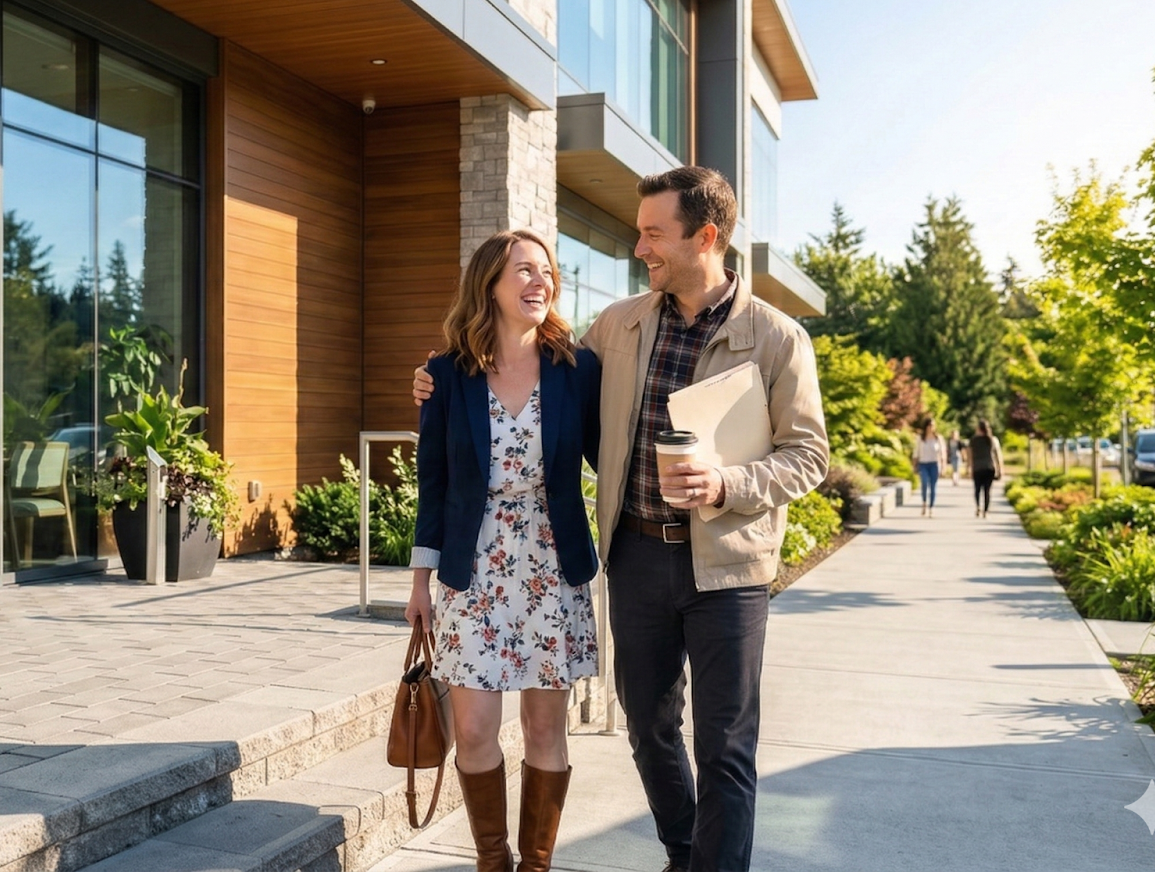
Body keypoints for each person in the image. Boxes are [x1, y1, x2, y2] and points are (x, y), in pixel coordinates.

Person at [413, 167, 829, 872]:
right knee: (650, 729)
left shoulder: (777, 338)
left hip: (724, 564)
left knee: (724, 743)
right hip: (634, 557)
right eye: (638, 233)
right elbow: (514, 380)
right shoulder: (617, 327)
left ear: (707, 236)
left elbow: (808, 456)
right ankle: (681, 852)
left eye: (653, 233)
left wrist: (726, 482)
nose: (640, 248)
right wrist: (434, 378)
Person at [405, 229, 602, 872]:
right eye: (522, 270)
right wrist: (418, 585)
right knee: (475, 731)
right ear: (489, 283)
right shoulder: (444, 375)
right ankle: (494, 860)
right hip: (473, 569)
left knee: (547, 729)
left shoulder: (578, 369)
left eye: (546, 270)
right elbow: (431, 485)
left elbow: (614, 453)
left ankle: (536, 865)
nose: (539, 281)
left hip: (552, 564)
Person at [968, 419, 1003, 517]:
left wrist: (969, 468)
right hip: (989, 467)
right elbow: (997, 456)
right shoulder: (993, 440)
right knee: (987, 491)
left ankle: (978, 507)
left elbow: (970, 456)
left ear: (978, 428)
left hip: (977, 468)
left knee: (977, 489)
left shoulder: (973, 440)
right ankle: (985, 511)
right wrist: (1000, 469)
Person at [914, 418, 947, 517]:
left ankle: (931, 507)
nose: (931, 427)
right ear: (926, 426)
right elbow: (916, 452)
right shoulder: (920, 438)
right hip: (923, 464)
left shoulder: (938, 438)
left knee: (933, 487)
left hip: (934, 464)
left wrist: (943, 466)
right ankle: (924, 503)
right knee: (924, 483)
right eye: (929, 425)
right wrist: (914, 465)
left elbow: (943, 453)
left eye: (933, 425)